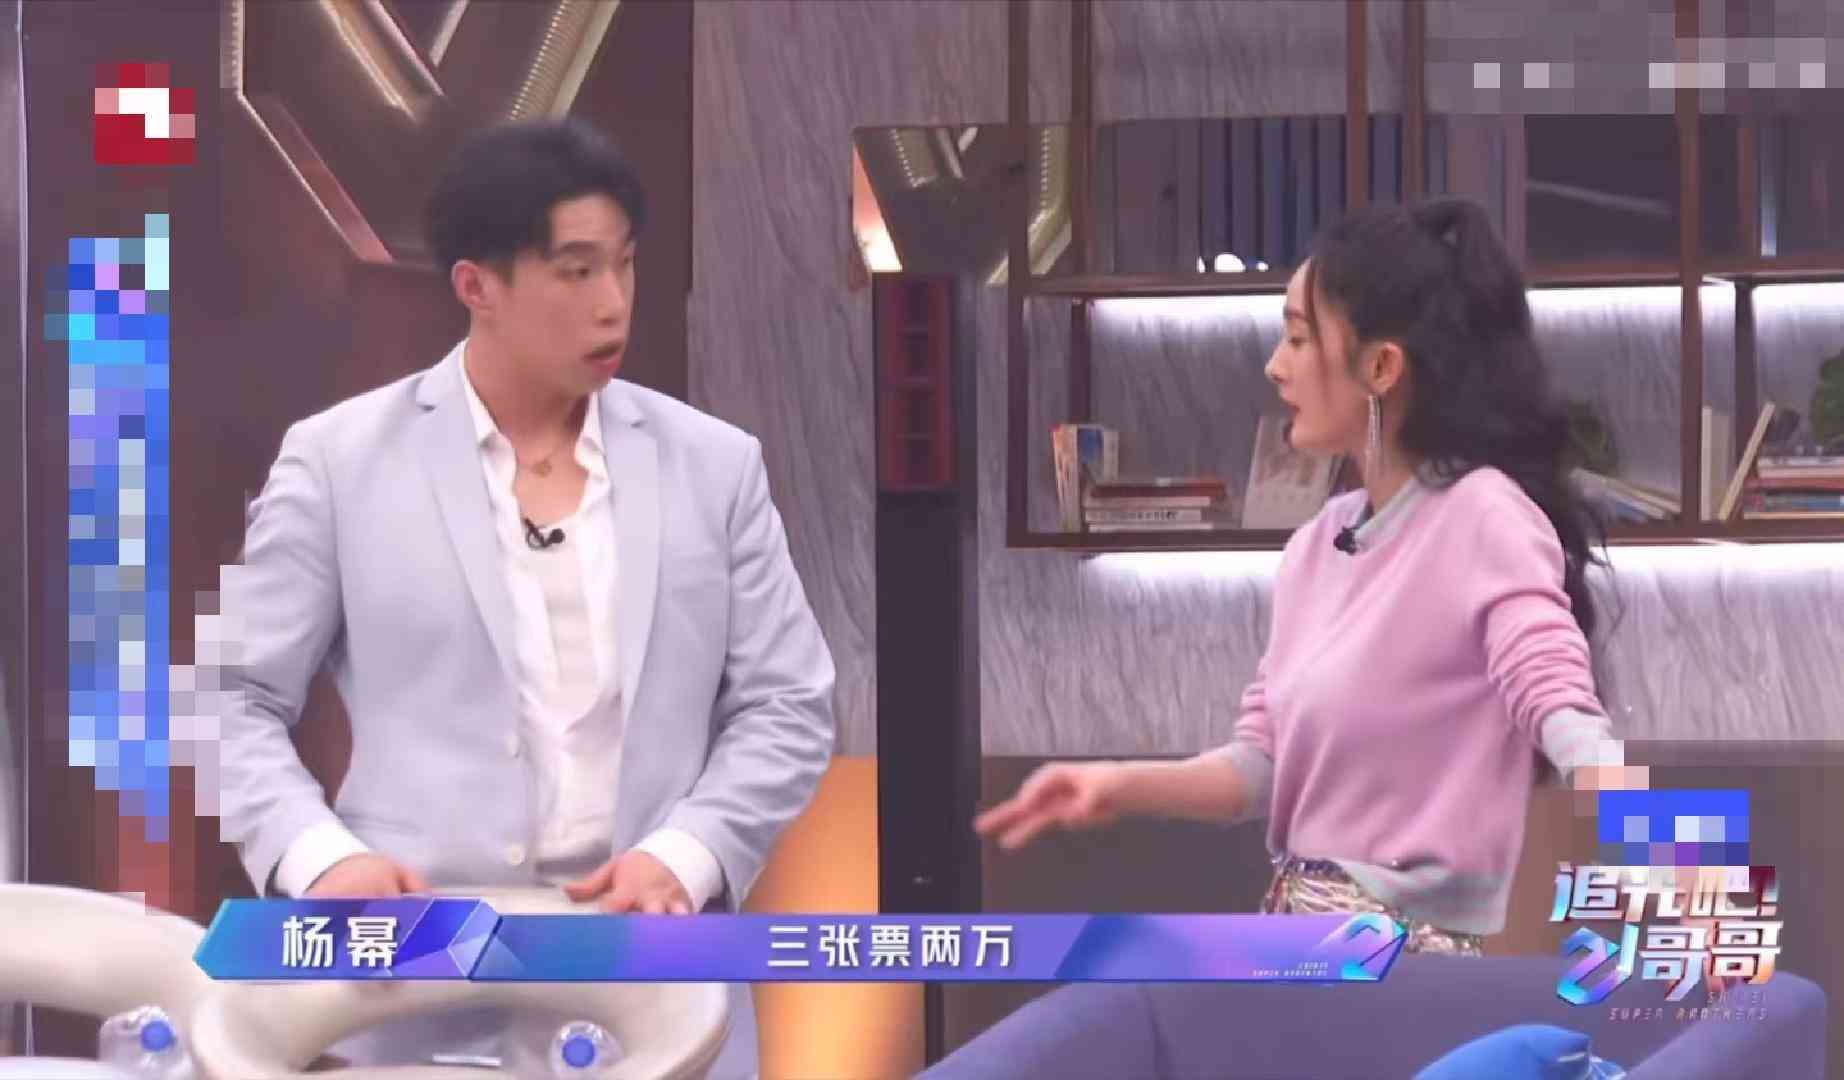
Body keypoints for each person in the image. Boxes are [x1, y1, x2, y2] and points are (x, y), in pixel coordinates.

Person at [216, 118, 836, 1075]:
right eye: (575, 271)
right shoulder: (339, 461)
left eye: (624, 265)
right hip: (410, 987)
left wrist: (687, 854)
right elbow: (230, 702)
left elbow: (789, 703)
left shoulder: (715, 466)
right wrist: (320, 859)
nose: (612, 304)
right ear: (478, 286)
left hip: (657, 982)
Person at [976, 197, 1629, 955]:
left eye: (1297, 337)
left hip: (1399, 967)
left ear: (1380, 368)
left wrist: (1699, 872)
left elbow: (1572, 725)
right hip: (1294, 944)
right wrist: (1115, 786)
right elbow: (1259, 767)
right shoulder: (1318, 543)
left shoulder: (1483, 515)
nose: (1274, 365)